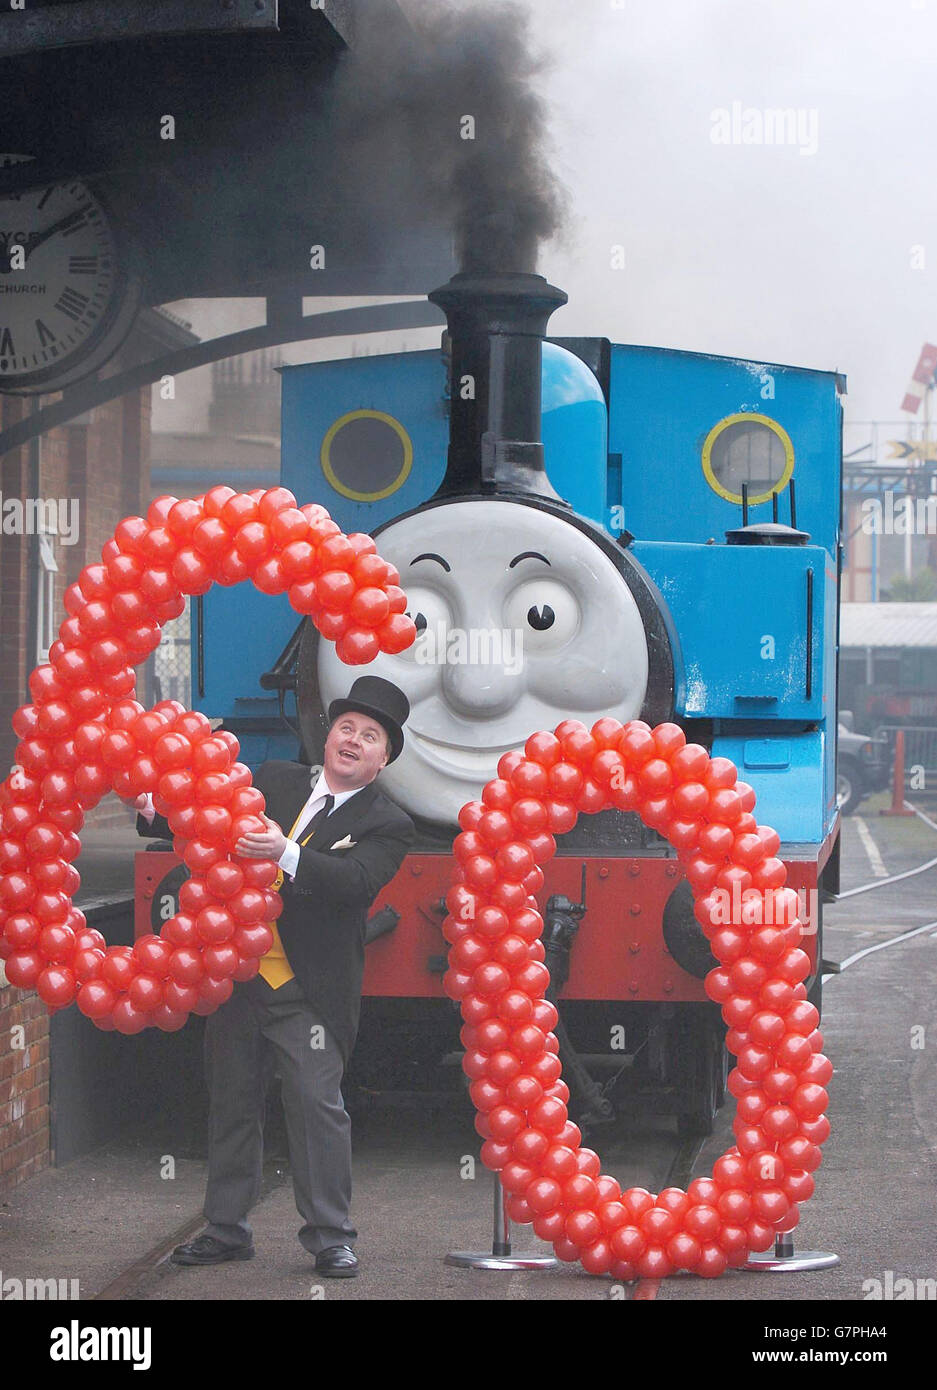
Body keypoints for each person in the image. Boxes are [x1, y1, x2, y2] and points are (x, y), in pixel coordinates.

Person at [134, 676, 415, 1277]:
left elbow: (354, 884)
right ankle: (226, 1229)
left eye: (370, 737)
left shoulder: (389, 823)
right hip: (235, 977)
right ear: (328, 733)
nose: (353, 741)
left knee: (316, 1107)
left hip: (306, 993)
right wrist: (156, 810)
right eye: (346, 728)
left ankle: (331, 1236)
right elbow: (208, 819)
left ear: (383, 757)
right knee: (231, 1102)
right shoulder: (275, 780)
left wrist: (282, 854)